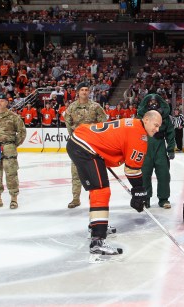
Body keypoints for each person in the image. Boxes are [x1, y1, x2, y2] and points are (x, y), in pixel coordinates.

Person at [66, 110, 162, 256]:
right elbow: (132, 170)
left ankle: (96, 226)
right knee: (101, 190)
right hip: (85, 147)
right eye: (156, 125)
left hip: (80, 141)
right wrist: (139, 191)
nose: (157, 129)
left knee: (97, 189)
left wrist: (138, 191)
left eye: (159, 126)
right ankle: (97, 240)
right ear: (146, 120)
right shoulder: (139, 136)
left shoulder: (133, 123)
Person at [64, 82, 107, 209]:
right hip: (77, 146)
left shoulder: (96, 107)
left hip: (92, 146)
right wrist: (74, 138)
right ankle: (75, 198)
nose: (84, 92)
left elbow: (103, 124)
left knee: (94, 173)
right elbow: (68, 123)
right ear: (77, 92)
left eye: (86, 90)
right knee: (76, 173)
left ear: (89, 92)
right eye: (81, 89)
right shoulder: (72, 107)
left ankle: (93, 198)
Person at [0, 94, 26, 210]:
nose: (0, 103)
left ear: (7, 103)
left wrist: (13, 144)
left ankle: (13, 199)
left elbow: (22, 132)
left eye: (3, 101)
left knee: (11, 174)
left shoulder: (14, 117)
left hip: (9, 149)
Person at [136, 94, 175, 209]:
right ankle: (145, 199)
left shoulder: (165, 117)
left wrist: (171, 149)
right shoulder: (141, 117)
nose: (153, 104)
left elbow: (170, 133)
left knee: (163, 174)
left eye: (155, 101)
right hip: (145, 146)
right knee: (144, 174)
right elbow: (134, 133)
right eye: (150, 101)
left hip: (160, 146)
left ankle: (164, 199)